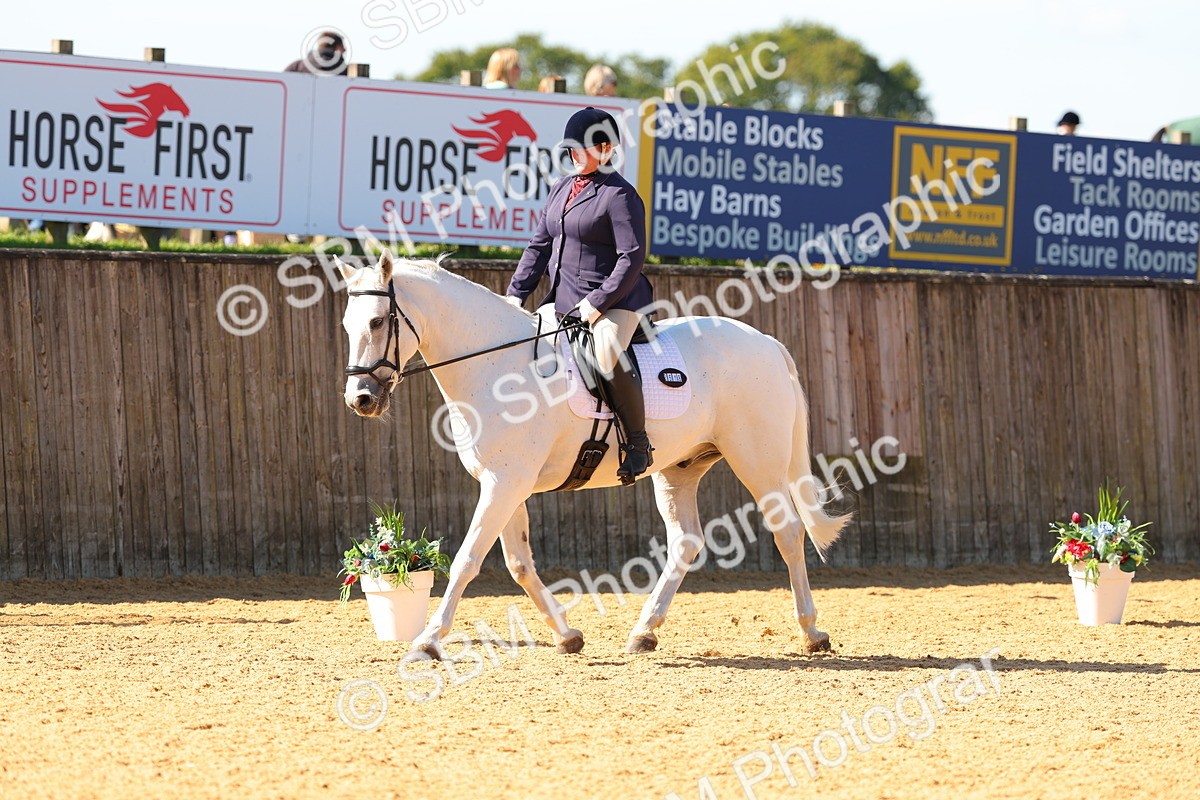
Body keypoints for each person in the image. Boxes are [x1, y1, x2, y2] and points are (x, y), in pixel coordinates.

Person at [505, 107, 654, 483]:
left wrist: (596, 303)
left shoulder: (620, 195)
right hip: (564, 300)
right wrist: (515, 296)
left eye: (581, 148)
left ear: (606, 149)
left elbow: (631, 258)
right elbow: (538, 247)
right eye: (570, 149)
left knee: (605, 351)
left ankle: (638, 443)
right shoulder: (561, 189)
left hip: (616, 300)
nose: (574, 155)